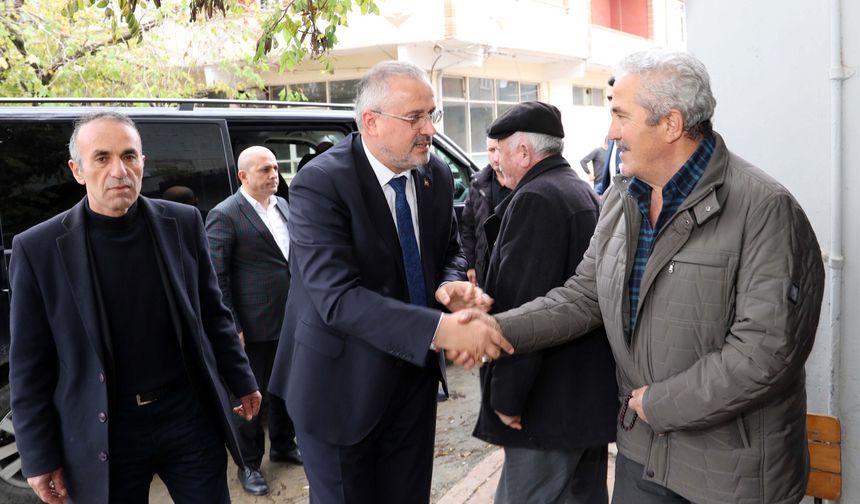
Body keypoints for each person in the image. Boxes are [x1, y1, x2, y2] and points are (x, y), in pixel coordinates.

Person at [456, 50, 825, 504]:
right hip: (642, 457)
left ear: (670, 124)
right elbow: (583, 295)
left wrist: (657, 405)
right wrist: (496, 329)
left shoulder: (765, 210)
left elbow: (766, 352)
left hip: (732, 474)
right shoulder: (621, 198)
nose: (610, 132)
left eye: (620, 115)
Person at [268, 60, 506, 504]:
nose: (429, 130)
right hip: (339, 387)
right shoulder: (321, 183)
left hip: (413, 383)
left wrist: (447, 287)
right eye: (414, 117)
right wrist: (440, 329)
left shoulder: (432, 173)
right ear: (371, 122)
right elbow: (335, 297)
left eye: (431, 115)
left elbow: (450, 249)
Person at [8, 111, 262, 504]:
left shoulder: (182, 222)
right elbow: (29, 365)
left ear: (143, 162)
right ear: (78, 170)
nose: (119, 170)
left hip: (188, 417)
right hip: (106, 431)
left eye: (129, 156)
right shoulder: (38, 248)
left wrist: (241, 378)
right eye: (102, 158)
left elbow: (212, 313)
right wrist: (39, 455)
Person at [474, 101, 617, 504]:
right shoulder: (575, 188)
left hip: (545, 401)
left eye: (499, 151)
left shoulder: (537, 198)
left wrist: (506, 397)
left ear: (524, 152)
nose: (495, 162)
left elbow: (527, 304)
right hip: (580, 395)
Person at [205, 146, 302, 497]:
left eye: (275, 168)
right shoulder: (225, 214)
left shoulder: (284, 206)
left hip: (289, 320)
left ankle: (284, 445)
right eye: (265, 170)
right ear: (244, 176)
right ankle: (248, 465)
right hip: (251, 328)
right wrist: (233, 326)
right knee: (249, 398)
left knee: (284, 390)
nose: (274, 174)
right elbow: (216, 277)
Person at [459, 137, 511, 286]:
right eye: (491, 150)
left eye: (499, 150)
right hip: (485, 268)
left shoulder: (523, 184)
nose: (496, 157)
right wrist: (470, 265)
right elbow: (468, 228)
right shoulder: (478, 184)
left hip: (512, 266)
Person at [594, 77, 620, 196]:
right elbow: (609, 180)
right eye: (609, 98)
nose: (612, 103)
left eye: (616, 97)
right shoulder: (611, 135)